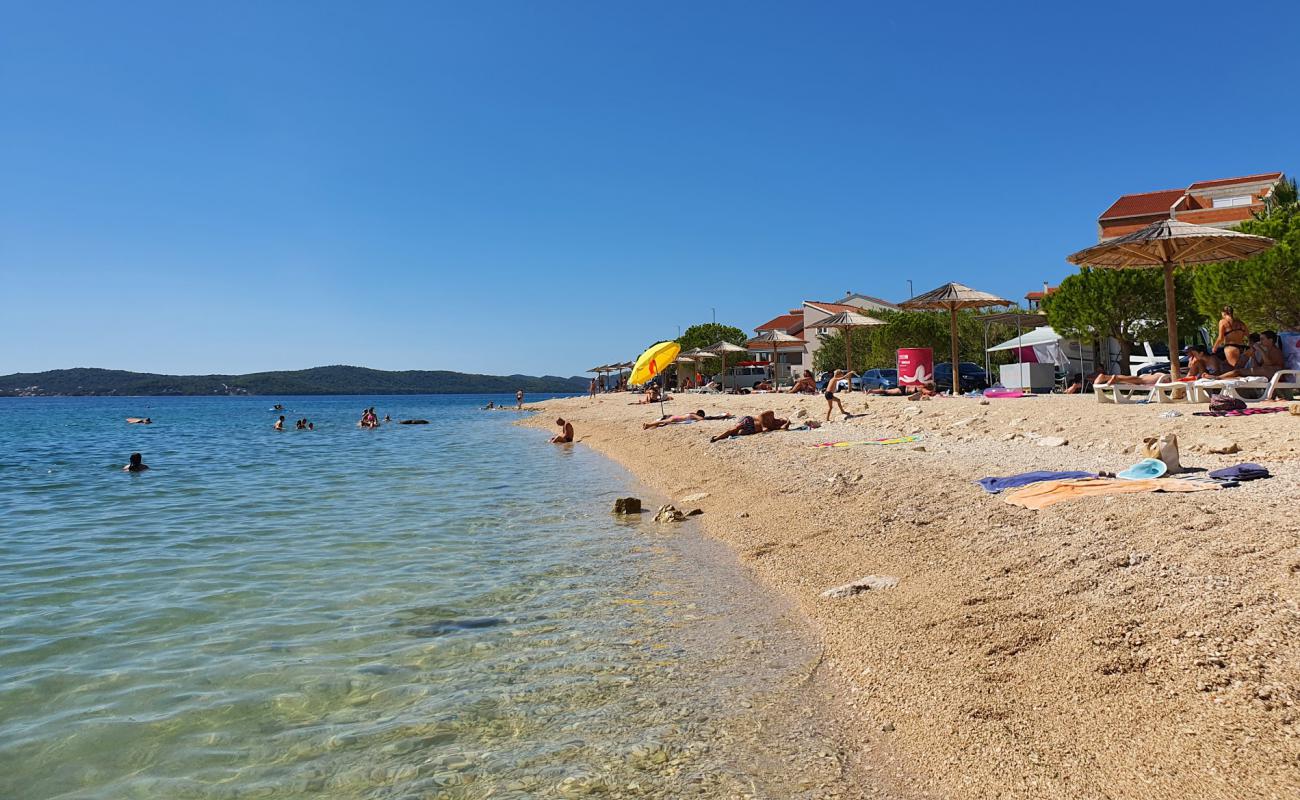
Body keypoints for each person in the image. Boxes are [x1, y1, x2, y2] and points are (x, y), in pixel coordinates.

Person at [710, 410, 788, 441]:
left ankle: (722, 437)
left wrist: (788, 422)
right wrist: (763, 426)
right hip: (749, 421)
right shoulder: (771, 415)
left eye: (782, 423)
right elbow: (761, 415)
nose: (780, 423)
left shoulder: (775, 427)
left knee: (739, 432)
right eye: (781, 421)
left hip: (752, 430)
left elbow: (784, 427)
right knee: (735, 428)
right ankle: (716, 438)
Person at [1093, 371, 1169, 386]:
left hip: (1158, 375)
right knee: (1140, 380)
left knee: (1138, 380)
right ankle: (1116, 378)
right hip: (1161, 376)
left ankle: (1106, 377)